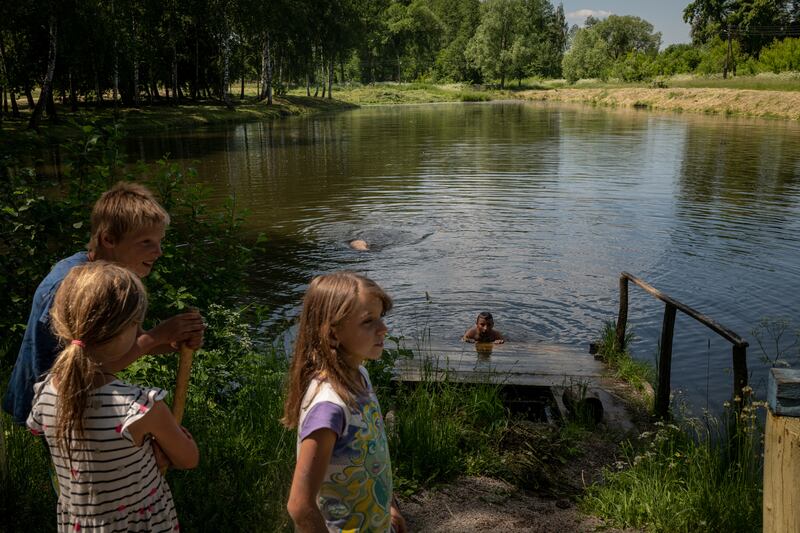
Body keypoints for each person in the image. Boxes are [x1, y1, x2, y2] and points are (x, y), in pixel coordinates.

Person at [3, 181, 205, 427]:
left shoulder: (110, 278)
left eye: (160, 241)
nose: (159, 252)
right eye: (146, 242)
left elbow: (123, 345)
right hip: (50, 405)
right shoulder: (75, 287)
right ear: (109, 239)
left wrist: (174, 342)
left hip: (75, 398)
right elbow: (90, 368)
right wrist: (156, 336)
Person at [27, 262, 199, 532]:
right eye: (137, 326)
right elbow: (188, 459)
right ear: (125, 331)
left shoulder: (45, 392)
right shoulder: (140, 409)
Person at [283, 271, 406, 533]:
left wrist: (390, 507)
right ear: (333, 333)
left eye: (381, 317)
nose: (383, 328)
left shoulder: (360, 375)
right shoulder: (329, 408)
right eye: (368, 321)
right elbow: (300, 506)